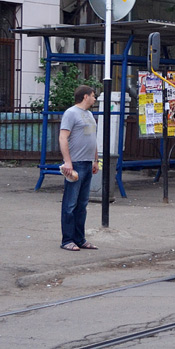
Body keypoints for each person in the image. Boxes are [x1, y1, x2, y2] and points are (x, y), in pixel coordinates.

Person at [58, 85, 99, 252]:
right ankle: (67, 239)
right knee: (70, 203)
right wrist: (68, 162)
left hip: (88, 163)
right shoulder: (71, 113)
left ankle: (79, 238)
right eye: (93, 95)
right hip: (76, 164)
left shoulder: (89, 115)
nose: (95, 98)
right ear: (85, 97)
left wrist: (96, 160)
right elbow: (63, 137)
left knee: (82, 204)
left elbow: (92, 138)